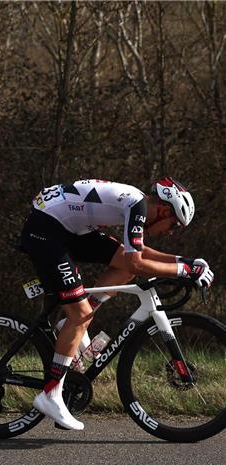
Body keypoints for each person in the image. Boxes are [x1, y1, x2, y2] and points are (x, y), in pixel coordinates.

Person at [19, 177, 214, 430]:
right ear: (164, 210)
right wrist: (182, 271)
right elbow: (138, 262)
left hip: (65, 226)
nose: (170, 231)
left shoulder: (136, 203)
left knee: (123, 267)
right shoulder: (137, 205)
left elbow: (135, 255)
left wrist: (186, 261)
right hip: (47, 229)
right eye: (173, 224)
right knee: (83, 314)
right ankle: (51, 393)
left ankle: (73, 321)